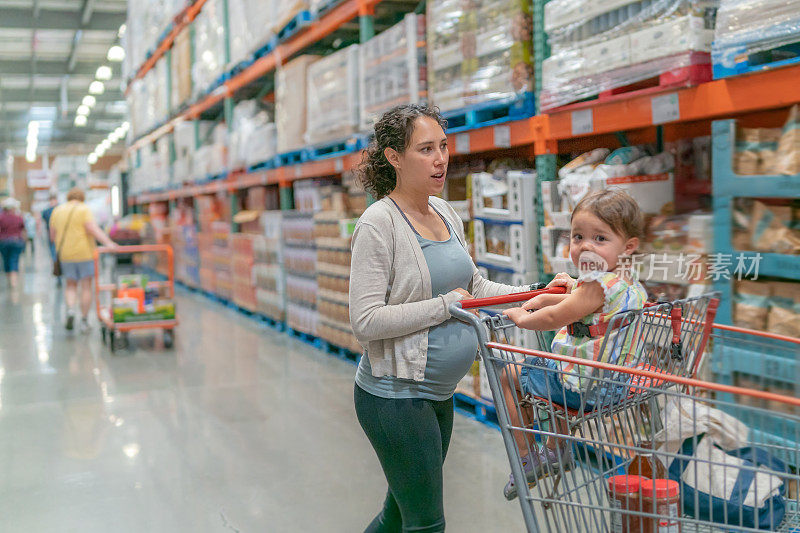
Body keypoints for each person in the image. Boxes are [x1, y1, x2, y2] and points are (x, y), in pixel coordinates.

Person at [349, 104, 537, 533]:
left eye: (444, 146)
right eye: (426, 149)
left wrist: (538, 293)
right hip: (394, 397)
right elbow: (365, 320)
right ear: (394, 157)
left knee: (399, 515)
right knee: (426, 523)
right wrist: (443, 306)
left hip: (437, 393)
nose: (441, 159)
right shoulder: (378, 224)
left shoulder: (445, 212)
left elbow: (475, 287)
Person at [500, 189, 647, 500]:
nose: (585, 247)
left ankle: (527, 456)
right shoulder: (626, 282)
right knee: (561, 372)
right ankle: (555, 448)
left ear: (629, 246)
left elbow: (557, 316)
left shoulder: (596, 284)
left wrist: (522, 317)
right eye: (578, 237)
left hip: (586, 385)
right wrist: (542, 297)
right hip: (614, 383)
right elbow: (577, 302)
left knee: (511, 374)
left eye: (600, 239)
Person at [50, 187, 117, 333]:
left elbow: (52, 236)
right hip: (84, 253)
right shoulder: (84, 209)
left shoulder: (57, 211)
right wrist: (108, 243)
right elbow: (92, 228)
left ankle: (70, 311)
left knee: (70, 285)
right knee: (86, 286)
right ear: (82, 197)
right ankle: (84, 321)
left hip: (65, 254)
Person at [0, 197, 28, 290]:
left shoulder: (1, 218)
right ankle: (13, 281)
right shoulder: (18, 218)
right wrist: (24, 242)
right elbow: (24, 231)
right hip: (16, 241)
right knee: (14, 260)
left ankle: (10, 279)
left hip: (3, 242)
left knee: (6, 261)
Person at [40, 193, 61, 286]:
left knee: (54, 256)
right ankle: (60, 275)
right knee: (58, 255)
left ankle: (58, 275)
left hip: (52, 237)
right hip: (60, 236)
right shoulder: (61, 209)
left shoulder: (46, 211)